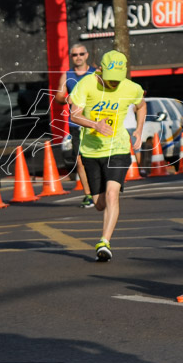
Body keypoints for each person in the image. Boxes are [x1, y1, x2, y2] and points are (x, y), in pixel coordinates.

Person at [68, 50, 146, 262]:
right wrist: (95, 124)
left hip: (118, 148)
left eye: (117, 81)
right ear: (100, 70)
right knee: (99, 203)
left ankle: (105, 241)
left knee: (112, 194)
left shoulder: (130, 87)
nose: (113, 85)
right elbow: (73, 113)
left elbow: (141, 105)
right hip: (91, 151)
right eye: (110, 80)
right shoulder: (86, 84)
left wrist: (139, 129)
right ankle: (103, 226)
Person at [55, 43, 97, 207]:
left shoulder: (96, 73)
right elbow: (59, 97)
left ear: (86, 55)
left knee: (100, 158)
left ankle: (104, 189)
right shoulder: (67, 76)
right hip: (76, 123)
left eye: (81, 54)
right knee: (80, 160)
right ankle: (88, 195)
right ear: (71, 57)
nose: (78, 57)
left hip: (95, 122)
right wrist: (68, 99)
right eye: (74, 55)